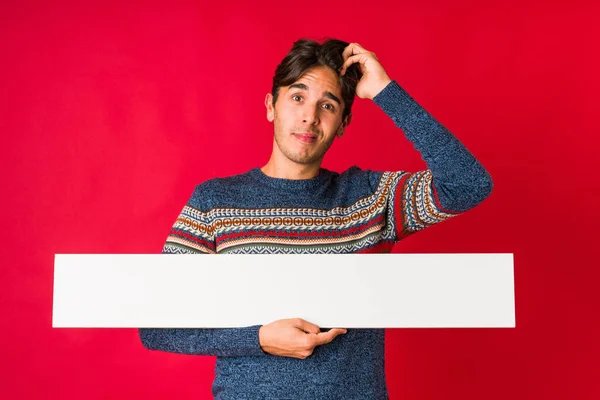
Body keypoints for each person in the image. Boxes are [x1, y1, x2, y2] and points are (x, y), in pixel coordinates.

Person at [139, 38, 494, 399]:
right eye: (297, 97)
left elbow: (468, 184)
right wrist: (258, 339)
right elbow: (157, 327)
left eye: (328, 105)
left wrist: (385, 91)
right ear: (270, 106)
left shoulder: (371, 199)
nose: (310, 116)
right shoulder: (214, 203)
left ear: (342, 124)